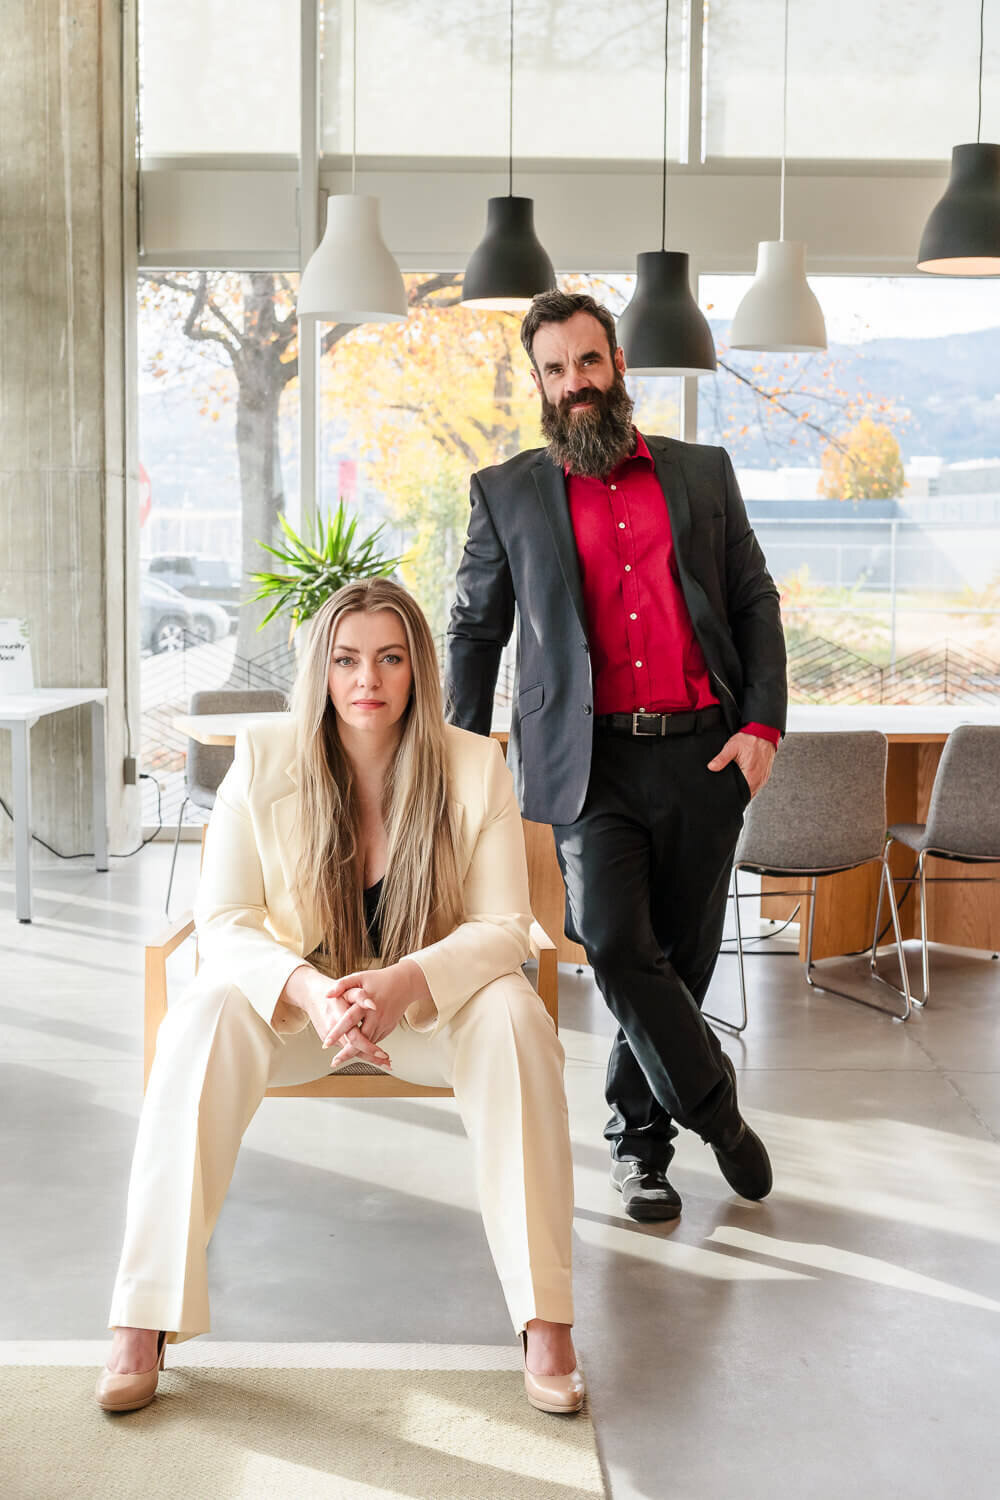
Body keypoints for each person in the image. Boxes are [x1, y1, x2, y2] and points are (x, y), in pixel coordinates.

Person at [97, 579, 583, 1416]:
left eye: (391, 659)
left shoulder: (474, 764)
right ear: (321, 669)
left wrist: (403, 983)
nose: (369, 679)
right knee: (205, 1015)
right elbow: (226, 920)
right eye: (348, 659)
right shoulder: (265, 758)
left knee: (514, 1015)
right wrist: (313, 991)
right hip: (301, 1010)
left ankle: (547, 1318)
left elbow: (505, 926)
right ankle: (142, 1318)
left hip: (426, 1010)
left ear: (417, 670)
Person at [446, 290, 787, 1224]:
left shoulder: (702, 473)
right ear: (541, 384)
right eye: (554, 371)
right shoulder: (505, 491)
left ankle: (643, 1150)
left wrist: (761, 728)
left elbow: (755, 602)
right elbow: (475, 633)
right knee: (615, 945)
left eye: (586, 363)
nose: (574, 384)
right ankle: (714, 1117)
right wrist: (459, 761)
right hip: (585, 766)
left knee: (681, 960)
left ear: (618, 366)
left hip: (704, 757)